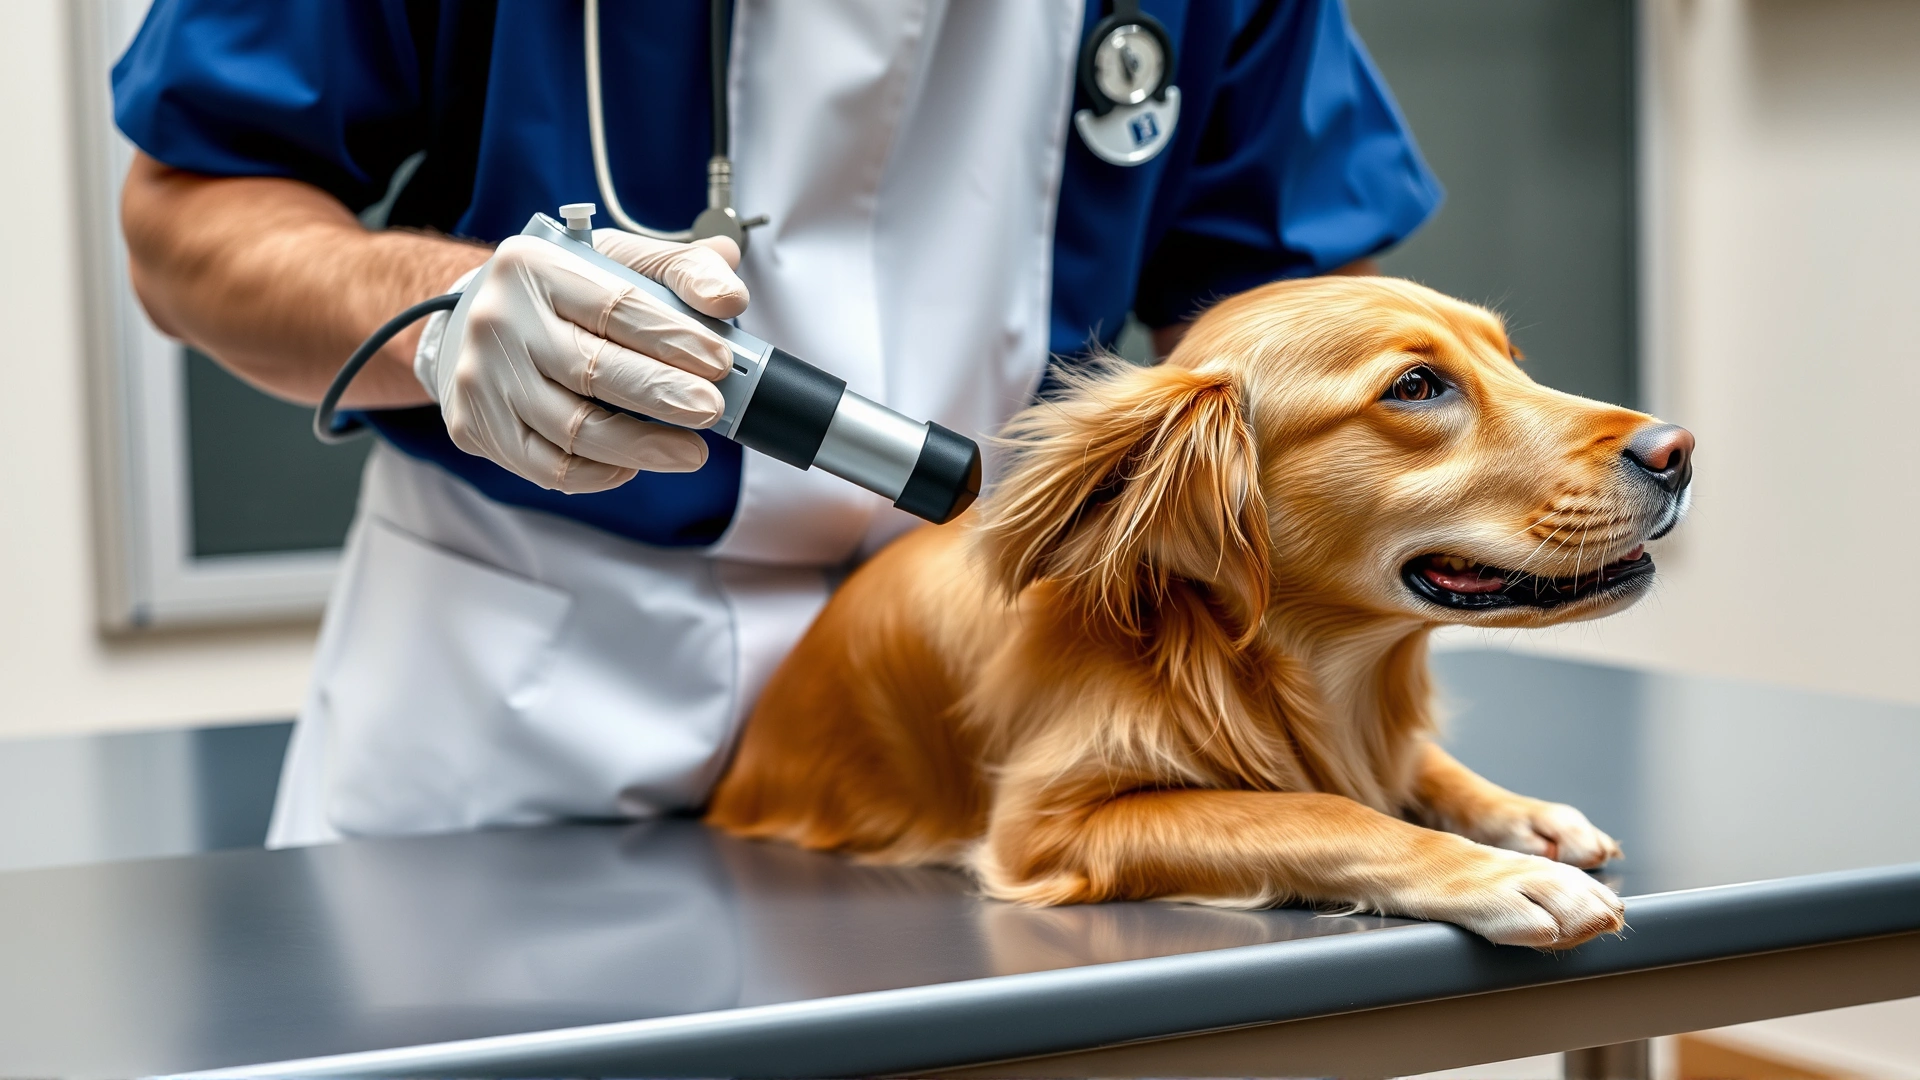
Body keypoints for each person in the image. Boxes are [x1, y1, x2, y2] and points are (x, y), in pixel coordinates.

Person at [112, 0, 1441, 847]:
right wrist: (443, 311)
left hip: (975, 690)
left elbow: (1301, 312)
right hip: (523, 683)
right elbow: (188, 220)